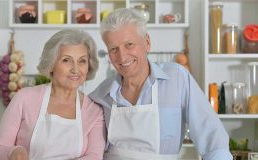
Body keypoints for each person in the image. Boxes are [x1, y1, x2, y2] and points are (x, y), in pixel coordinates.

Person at [89, 8, 232, 160]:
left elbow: (212, 136)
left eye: (129, 44)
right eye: (113, 49)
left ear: (147, 43)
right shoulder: (101, 94)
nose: (122, 56)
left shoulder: (176, 78)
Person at [0, 29, 106, 160]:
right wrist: (13, 152)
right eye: (66, 60)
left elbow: (95, 156)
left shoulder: (94, 112)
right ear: (51, 64)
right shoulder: (25, 98)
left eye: (82, 61)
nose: (75, 69)